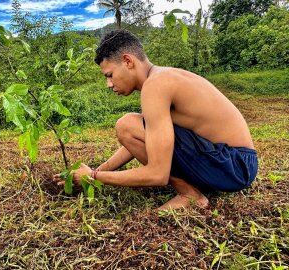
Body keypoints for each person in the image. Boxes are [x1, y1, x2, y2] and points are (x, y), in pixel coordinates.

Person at [53, 30, 258, 210]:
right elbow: (147, 140)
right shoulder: (162, 77)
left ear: (128, 61)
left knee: (126, 124)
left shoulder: (156, 85)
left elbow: (157, 174)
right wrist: (96, 171)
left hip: (234, 165)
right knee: (130, 127)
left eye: (110, 75)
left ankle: (190, 195)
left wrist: (94, 177)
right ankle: (195, 188)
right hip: (237, 163)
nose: (109, 84)